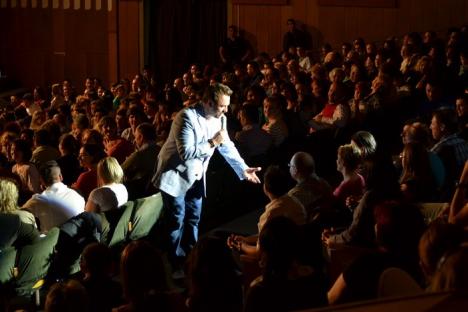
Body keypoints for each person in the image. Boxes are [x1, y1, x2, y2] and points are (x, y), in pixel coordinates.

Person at [152, 83, 261, 265]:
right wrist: (212, 142)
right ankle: (175, 262)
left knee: (194, 217)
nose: (226, 110)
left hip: (196, 174)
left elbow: (226, 146)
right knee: (176, 220)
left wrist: (243, 168)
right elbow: (185, 152)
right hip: (175, 174)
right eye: (222, 106)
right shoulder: (186, 117)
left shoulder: (221, 119)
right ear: (208, 103)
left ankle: (192, 257)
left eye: (227, 105)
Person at [22, 161, 85, 232]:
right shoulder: (77, 194)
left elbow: (19, 215)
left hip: (56, 241)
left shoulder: (40, 199)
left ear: (41, 180)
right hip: (80, 238)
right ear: (61, 177)